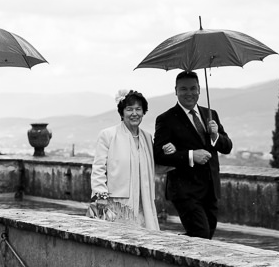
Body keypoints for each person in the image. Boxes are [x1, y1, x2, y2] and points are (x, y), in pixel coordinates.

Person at [154, 70, 233, 239]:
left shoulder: (211, 114)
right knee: (201, 234)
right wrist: (191, 155)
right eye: (183, 89)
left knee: (206, 235)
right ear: (176, 90)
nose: (189, 93)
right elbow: (158, 155)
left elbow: (227, 147)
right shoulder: (166, 119)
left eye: (193, 88)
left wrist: (215, 136)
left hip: (210, 189)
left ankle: (174, 248)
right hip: (184, 190)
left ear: (199, 90)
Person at [90, 90, 160, 230]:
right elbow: (99, 167)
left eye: (138, 109)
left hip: (143, 200)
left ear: (143, 112)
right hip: (118, 202)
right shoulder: (108, 135)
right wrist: (100, 195)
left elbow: (154, 164)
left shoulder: (147, 137)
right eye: (129, 109)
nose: (134, 113)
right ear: (122, 113)